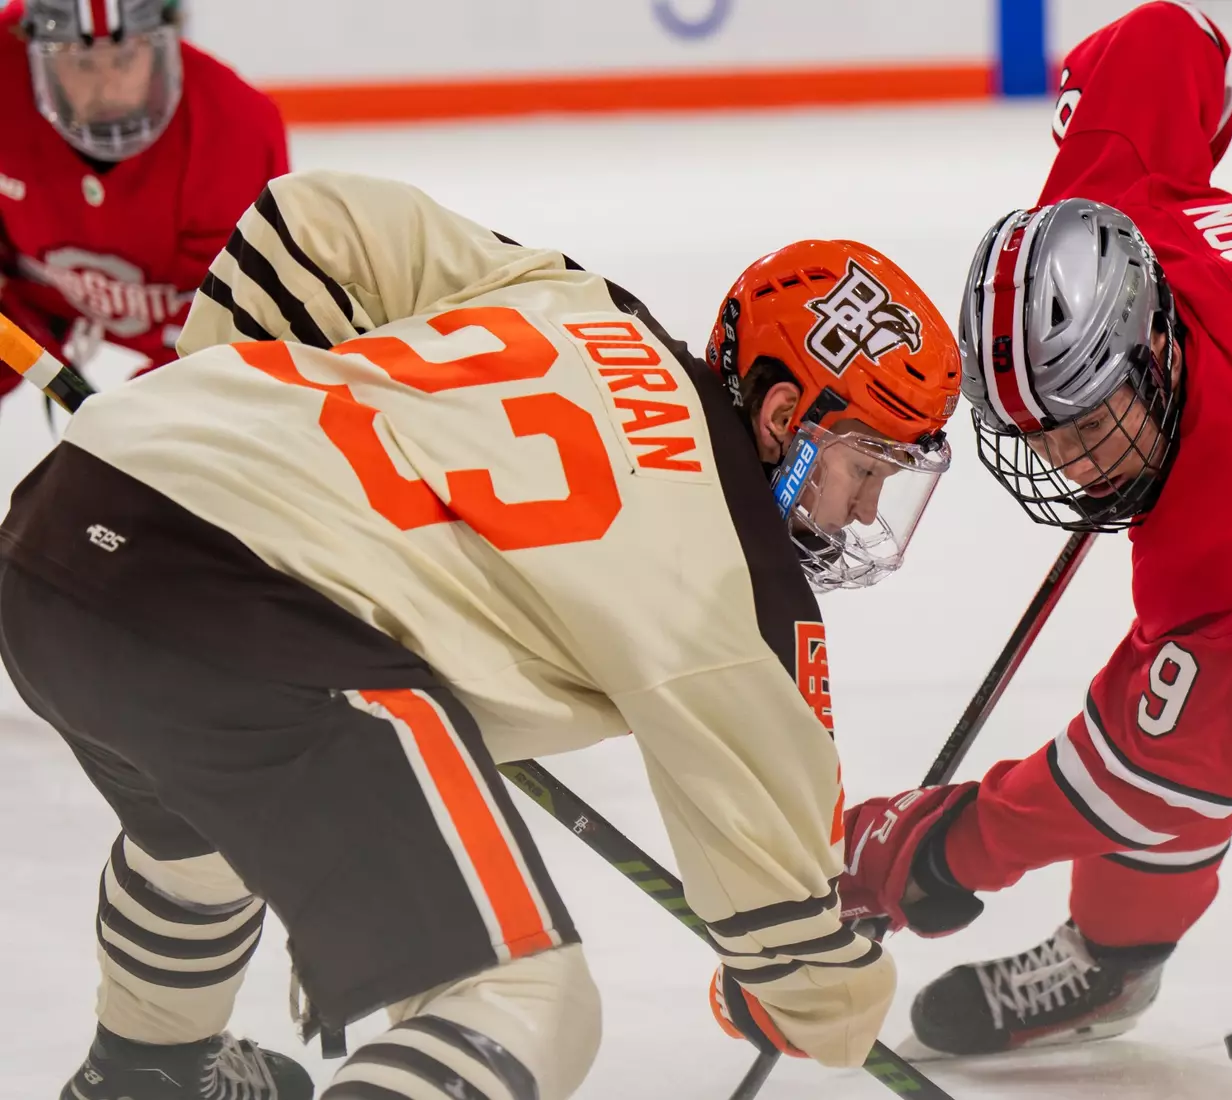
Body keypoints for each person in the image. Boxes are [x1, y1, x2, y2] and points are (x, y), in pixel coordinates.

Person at [0, 169, 962, 1099]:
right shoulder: (737, 589)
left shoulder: (582, 301)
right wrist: (828, 1002)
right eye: (864, 468)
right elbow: (783, 934)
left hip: (63, 530)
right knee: (519, 998)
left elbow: (312, 224)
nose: (860, 511)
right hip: (248, 630)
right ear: (788, 415)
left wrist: (215, 409)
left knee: (202, 832)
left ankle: (147, 1074)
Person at [833, 0, 1232, 1057]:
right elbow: (1174, 37)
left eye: (1086, 425)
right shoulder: (1109, 220)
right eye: (1038, 432)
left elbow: (1136, 773)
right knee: (1189, 723)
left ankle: (1114, 957)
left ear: (1153, 351)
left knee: (1200, 751)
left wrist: (941, 845)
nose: (1067, 464)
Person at [0, 0, 287, 398]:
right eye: (81, 62)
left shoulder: (235, 131)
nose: (106, 86)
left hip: (185, 326)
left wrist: (133, 422)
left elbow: (233, 333)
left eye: (126, 56)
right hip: (28, 299)